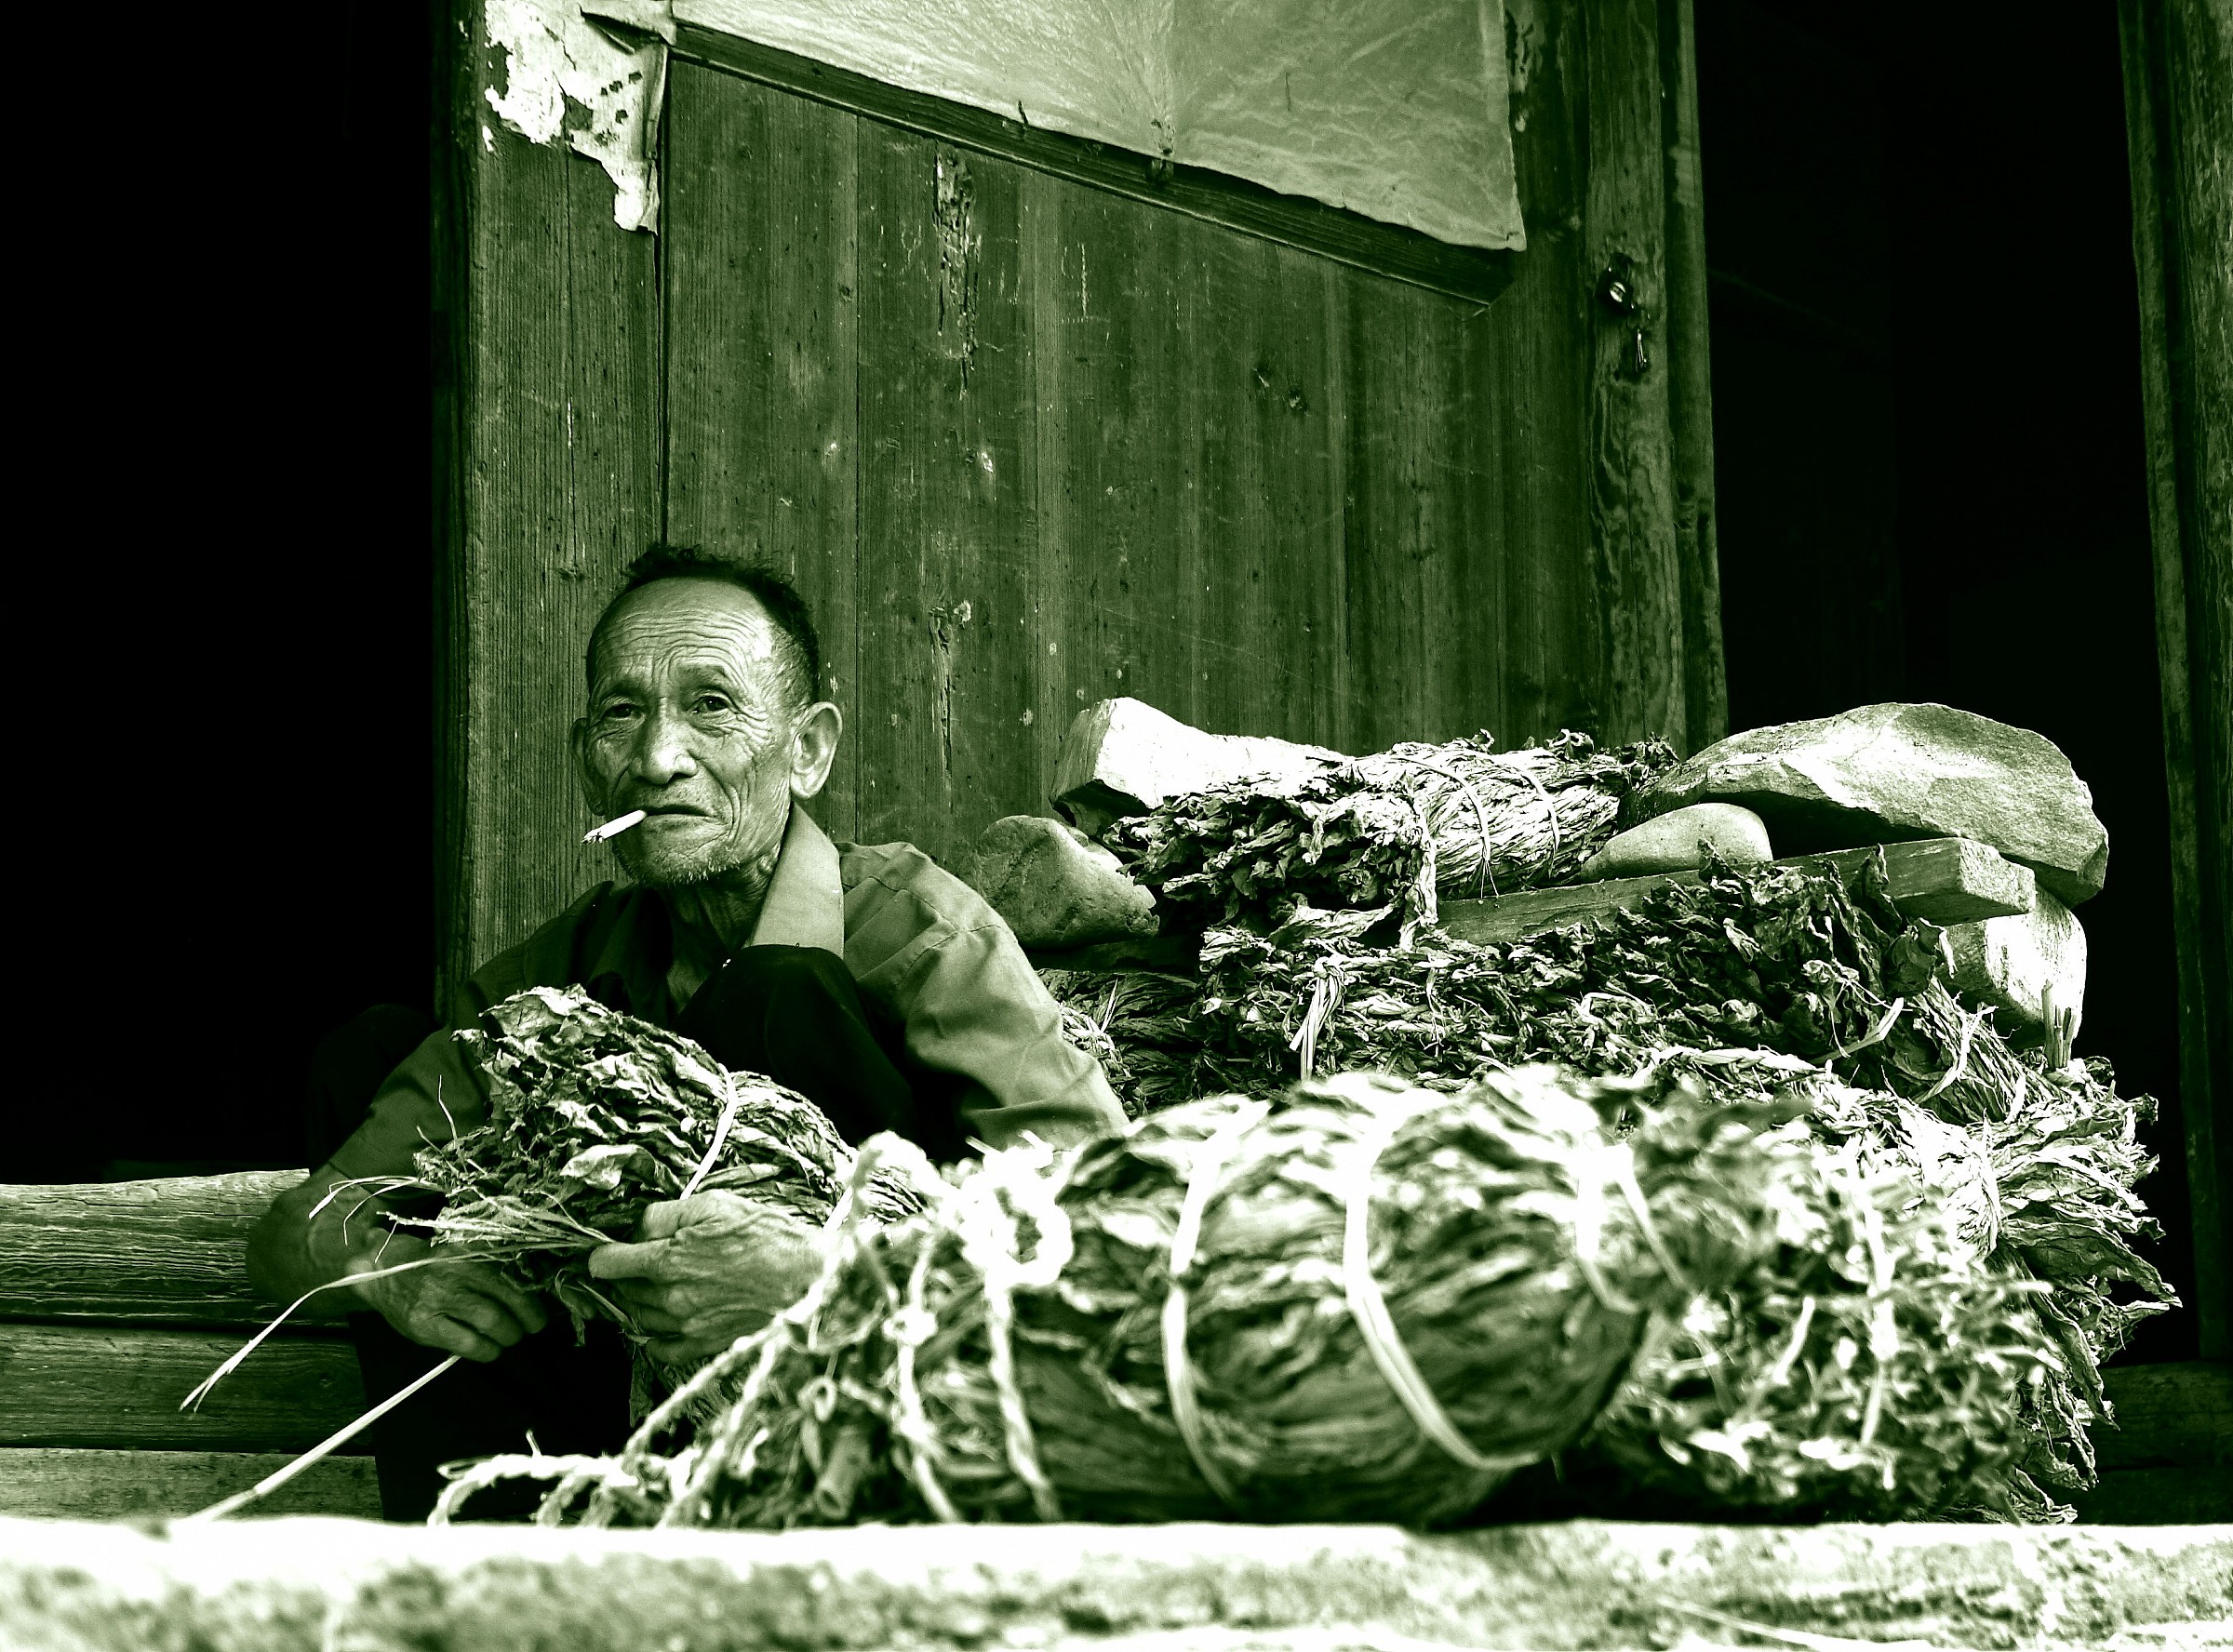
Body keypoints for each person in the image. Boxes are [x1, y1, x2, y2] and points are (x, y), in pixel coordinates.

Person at [249, 545, 1125, 1517]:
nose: (659, 759)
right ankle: (501, 1578)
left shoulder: (920, 933)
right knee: (372, 1053)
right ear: (589, 761)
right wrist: (389, 1270)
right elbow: (298, 1231)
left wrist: (826, 1282)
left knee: (779, 993)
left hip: (874, 1413)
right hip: (616, 1419)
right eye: (624, 714)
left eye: (712, 705)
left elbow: (1116, 1223)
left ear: (808, 749)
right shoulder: (565, 972)